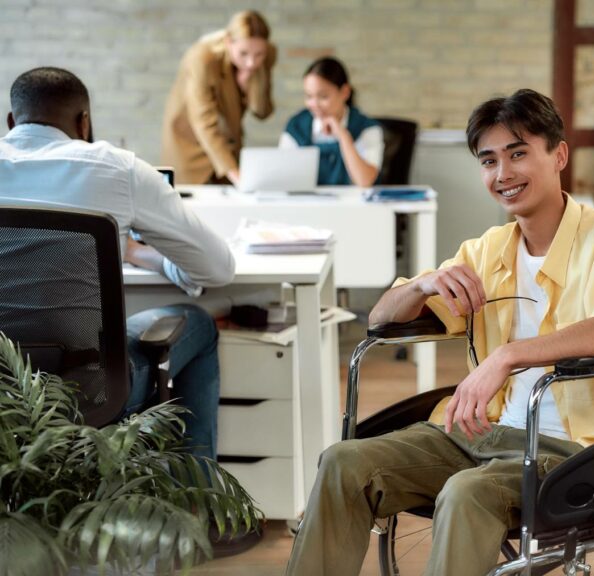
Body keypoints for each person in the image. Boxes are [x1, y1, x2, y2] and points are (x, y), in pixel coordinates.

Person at [285, 89, 594, 575]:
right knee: (343, 463)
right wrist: (423, 284)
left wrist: (507, 355)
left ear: (559, 155)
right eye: (489, 161)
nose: (503, 174)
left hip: (582, 448)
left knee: (467, 492)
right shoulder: (487, 250)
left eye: (518, 153)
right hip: (483, 434)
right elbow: (380, 318)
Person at [0, 67, 234, 461]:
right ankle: (200, 503)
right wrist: (141, 252)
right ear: (84, 122)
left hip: (5, 388)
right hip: (88, 391)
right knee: (198, 323)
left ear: (11, 121)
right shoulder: (117, 168)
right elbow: (217, 268)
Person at [161, 10, 276, 185]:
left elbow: (263, 112)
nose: (252, 62)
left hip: (227, 150)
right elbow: (204, 122)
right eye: (244, 53)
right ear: (229, 42)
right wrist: (235, 175)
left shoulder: (268, 55)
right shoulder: (202, 59)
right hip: (191, 149)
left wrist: (250, 90)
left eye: (259, 54)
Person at [280, 57, 383, 186]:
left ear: (345, 92)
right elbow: (283, 178)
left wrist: (343, 136)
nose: (315, 104)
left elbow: (364, 181)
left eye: (323, 97)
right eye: (309, 96)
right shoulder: (296, 127)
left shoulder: (367, 128)